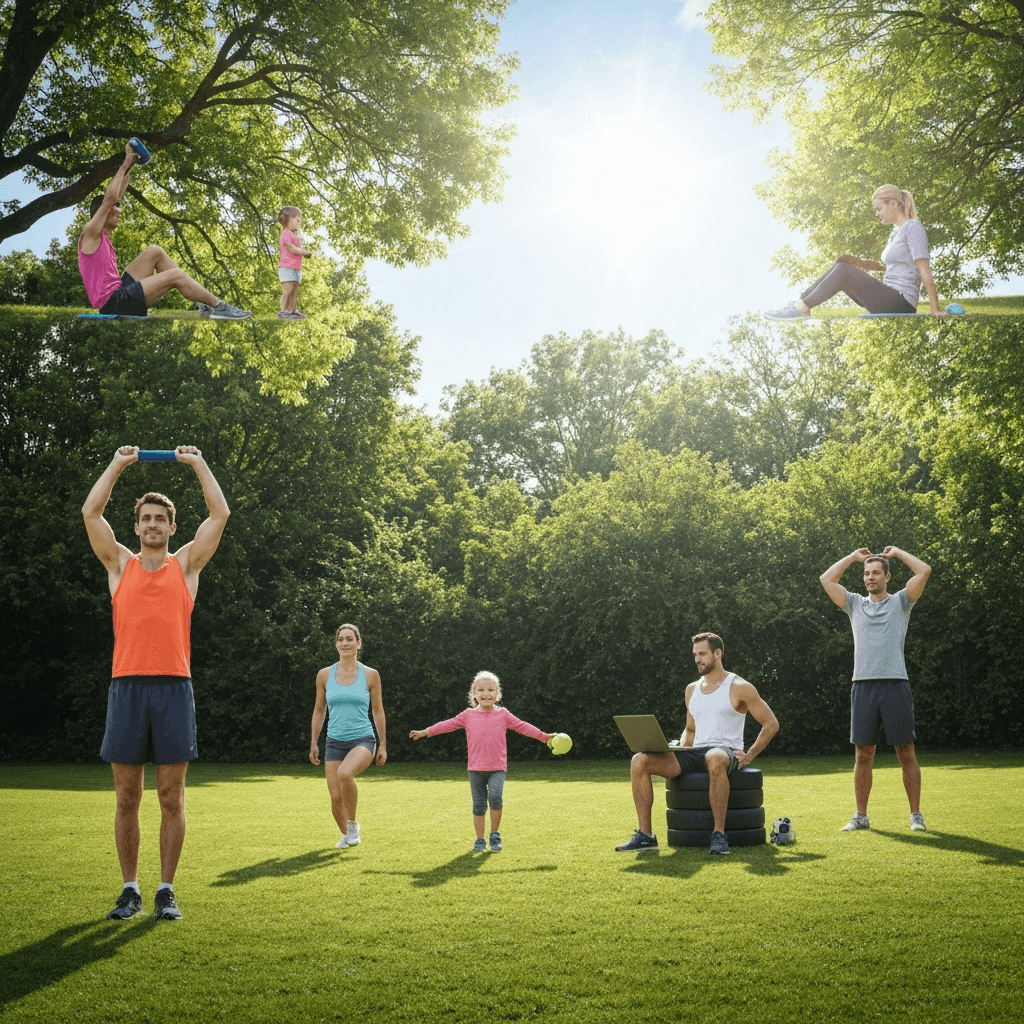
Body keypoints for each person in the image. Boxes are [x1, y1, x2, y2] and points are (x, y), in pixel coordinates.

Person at [82, 444, 230, 921]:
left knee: (171, 796)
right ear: (136, 527)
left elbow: (220, 512)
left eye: (159, 519)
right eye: (145, 518)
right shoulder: (119, 566)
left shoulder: (185, 567)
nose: (152, 525)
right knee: (127, 797)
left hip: (173, 689)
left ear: (171, 528)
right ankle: (130, 889)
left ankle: (166, 889)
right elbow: (90, 510)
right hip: (126, 688)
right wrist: (120, 463)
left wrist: (196, 462)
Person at [616, 632, 779, 855]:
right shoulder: (691, 689)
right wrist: (679, 747)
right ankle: (646, 836)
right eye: (695, 654)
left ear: (717, 653)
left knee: (714, 756)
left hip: (724, 752)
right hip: (694, 753)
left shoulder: (739, 686)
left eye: (702, 654)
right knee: (639, 760)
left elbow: (771, 723)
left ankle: (719, 835)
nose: (697, 659)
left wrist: (749, 755)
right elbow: (691, 729)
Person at [820, 546, 932, 832]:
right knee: (863, 754)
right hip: (863, 686)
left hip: (895, 684)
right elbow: (827, 580)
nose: (870, 577)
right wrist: (852, 558)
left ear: (887, 577)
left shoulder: (901, 602)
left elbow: (924, 571)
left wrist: (897, 553)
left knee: (905, 752)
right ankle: (861, 816)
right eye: (866, 573)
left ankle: (916, 815)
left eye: (875, 573)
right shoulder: (855, 604)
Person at [78, 141, 251, 319]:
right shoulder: (90, 233)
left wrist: (131, 162)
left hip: (119, 293)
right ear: (103, 213)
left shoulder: (102, 236)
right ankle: (218, 306)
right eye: (115, 211)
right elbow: (111, 197)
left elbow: (117, 193)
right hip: (115, 303)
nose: (119, 212)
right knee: (176, 275)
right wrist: (124, 163)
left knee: (155, 251)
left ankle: (202, 302)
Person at [409, 672, 555, 852]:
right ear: (474, 693)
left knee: (495, 798)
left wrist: (544, 736)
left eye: (491, 689)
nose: (486, 693)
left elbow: (523, 726)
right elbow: (447, 724)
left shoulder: (503, 715)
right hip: (475, 769)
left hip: (497, 769)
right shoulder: (467, 715)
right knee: (478, 805)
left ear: (497, 693)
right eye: (481, 690)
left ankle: (494, 835)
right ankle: (479, 839)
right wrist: (426, 732)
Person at [765, 185, 947, 320]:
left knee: (844, 270)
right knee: (841, 266)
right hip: (888, 298)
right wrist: (866, 268)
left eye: (879, 209)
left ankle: (801, 309)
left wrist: (935, 309)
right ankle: (800, 302)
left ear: (892, 203)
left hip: (901, 303)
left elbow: (924, 271)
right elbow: (898, 266)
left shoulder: (913, 228)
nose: (877, 214)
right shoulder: (895, 232)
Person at [309, 624, 387, 849]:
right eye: (340, 639)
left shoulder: (370, 675)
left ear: (358, 643)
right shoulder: (324, 675)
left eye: (349, 639)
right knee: (335, 799)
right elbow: (319, 710)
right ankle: (347, 834)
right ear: (336, 644)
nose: (345, 643)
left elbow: (378, 710)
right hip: (334, 742)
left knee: (345, 773)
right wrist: (314, 742)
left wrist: (382, 745)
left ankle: (352, 825)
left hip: (362, 739)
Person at [277, 206, 313, 320]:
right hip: (287, 267)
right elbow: (291, 248)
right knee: (288, 290)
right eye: (296, 220)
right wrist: (303, 252)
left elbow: (298, 250)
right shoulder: (285, 234)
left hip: (296, 268)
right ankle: (283, 310)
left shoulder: (294, 236)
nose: (298, 222)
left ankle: (293, 310)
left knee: (295, 290)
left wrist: (303, 252)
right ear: (288, 219)